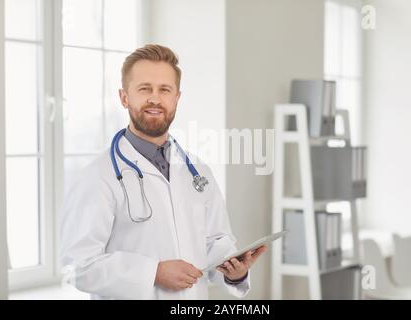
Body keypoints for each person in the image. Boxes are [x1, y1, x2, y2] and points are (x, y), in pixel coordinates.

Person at [59, 44, 266, 299]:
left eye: (164, 90)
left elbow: (216, 240)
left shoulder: (197, 171)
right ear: (124, 97)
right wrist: (153, 272)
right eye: (144, 89)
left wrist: (234, 271)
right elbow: (78, 266)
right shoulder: (97, 176)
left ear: (176, 97)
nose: (155, 99)